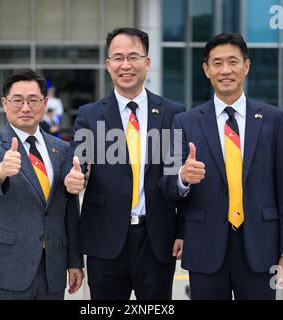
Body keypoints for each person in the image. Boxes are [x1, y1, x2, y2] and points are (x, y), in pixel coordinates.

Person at [160, 33, 283, 300]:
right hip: (205, 248)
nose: (225, 70)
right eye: (217, 63)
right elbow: (167, 186)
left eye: (233, 62)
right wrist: (182, 177)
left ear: (246, 66)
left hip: (261, 248)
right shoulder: (185, 122)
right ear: (206, 70)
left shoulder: (275, 119)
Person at [65, 27, 185, 300]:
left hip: (156, 241)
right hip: (104, 241)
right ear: (108, 65)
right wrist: (73, 176)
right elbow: (77, 161)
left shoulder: (173, 113)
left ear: (147, 62)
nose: (126, 65)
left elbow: (180, 178)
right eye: (117, 58)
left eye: (133, 56)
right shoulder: (90, 115)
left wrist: (183, 231)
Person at [0, 69, 84, 300]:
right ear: (5, 103)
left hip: (52, 270)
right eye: (17, 100)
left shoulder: (62, 149)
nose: (26, 108)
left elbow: (69, 209)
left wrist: (75, 261)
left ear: (45, 102)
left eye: (33, 100)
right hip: (6, 267)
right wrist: (1, 170)